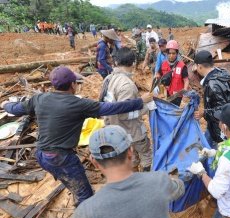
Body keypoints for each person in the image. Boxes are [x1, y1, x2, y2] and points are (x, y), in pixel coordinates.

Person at [1, 66, 153, 205]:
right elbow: (112, 108)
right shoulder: (78, 104)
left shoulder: (39, 98)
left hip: (41, 155)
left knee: (71, 182)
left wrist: (5, 105)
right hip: (61, 158)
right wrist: (140, 101)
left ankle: (75, 191)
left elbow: (15, 109)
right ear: (73, 85)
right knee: (86, 196)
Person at [38, 125, 185, 218]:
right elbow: (179, 188)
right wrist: (174, 179)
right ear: (130, 152)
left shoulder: (87, 212)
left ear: (94, 162)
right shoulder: (159, 181)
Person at [103, 47, 154, 172]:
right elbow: (124, 114)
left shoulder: (109, 79)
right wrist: (146, 107)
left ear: (116, 62)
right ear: (133, 64)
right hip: (132, 131)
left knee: (131, 157)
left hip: (117, 130)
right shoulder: (127, 85)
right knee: (145, 154)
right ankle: (144, 179)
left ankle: (134, 176)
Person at [193, 50, 230, 149]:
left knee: (214, 151)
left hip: (219, 127)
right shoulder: (221, 74)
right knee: (206, 144)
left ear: (200, 66)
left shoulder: (213, 84)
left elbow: (222, 109)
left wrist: (204, 113)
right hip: (215, 124)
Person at [156, 40, 189, 106]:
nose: (171, 55)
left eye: (173, 53)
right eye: (169, 53)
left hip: (178, 95)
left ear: (177, 53)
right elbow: (158, 74)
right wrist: (157, 84)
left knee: (174, 110)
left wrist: (185, 89)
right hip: (168, 92)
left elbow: (186, 80)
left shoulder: (182, 66)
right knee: (169, 107)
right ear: (167, 53)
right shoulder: (164, 64)